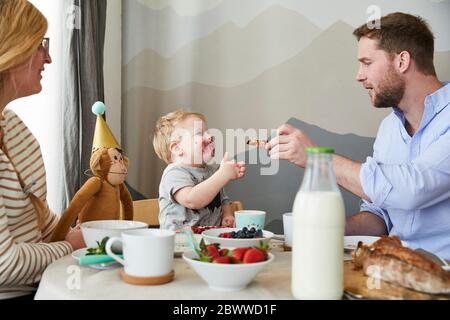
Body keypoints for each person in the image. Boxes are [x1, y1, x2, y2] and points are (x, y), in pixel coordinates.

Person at [266, 12, 450, 259]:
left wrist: (316, 158)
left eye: (367, 62)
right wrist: (328, 228)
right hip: (396, 270)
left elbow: (413, 188)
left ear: (402, 61)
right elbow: (380, 215)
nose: (359, 75)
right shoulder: (389, 129)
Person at [0, 0, 85, 299]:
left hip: (43, 286)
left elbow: (40, 222)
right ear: (12, 50)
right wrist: (71, 245)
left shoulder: (12, 126)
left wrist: (91, 234)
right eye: (39, 45)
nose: (47, 58)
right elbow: (3, 265)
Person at [153, 110, 246, 230]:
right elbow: (192, 200)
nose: (210, 137)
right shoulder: (174, 173)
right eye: (199, 133)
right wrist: (222, 175)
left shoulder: (211, 171)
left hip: (210, 241)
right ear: (177, 148)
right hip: (180, 242)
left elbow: (224, 200)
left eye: (208, 132)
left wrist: (227, 215)